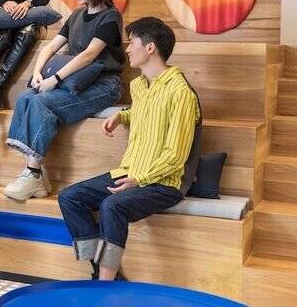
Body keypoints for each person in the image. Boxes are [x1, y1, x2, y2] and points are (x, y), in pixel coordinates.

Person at [57, 17, 200, 281]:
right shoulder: (139, 85)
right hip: (130, 171)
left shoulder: (181, 92)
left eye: (132, 42)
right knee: (70, 197)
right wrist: (122, 116)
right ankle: (99, 270)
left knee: (112, 205)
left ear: (150, 47)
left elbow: (175, 156)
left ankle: (105, 285)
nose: (128, 49)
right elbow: (147, 111)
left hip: (163, 183)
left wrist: (139, 180)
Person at [3, 0, 124, 200]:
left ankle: (33, 174)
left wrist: (56, 79)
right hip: (74, 80)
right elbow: (50, 47)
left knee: (41, 102)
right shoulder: (76, 15)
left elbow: (90, 55)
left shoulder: (111, 17)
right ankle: (37, 174)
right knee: (25, 97)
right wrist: (38, 73)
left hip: (104, 85)